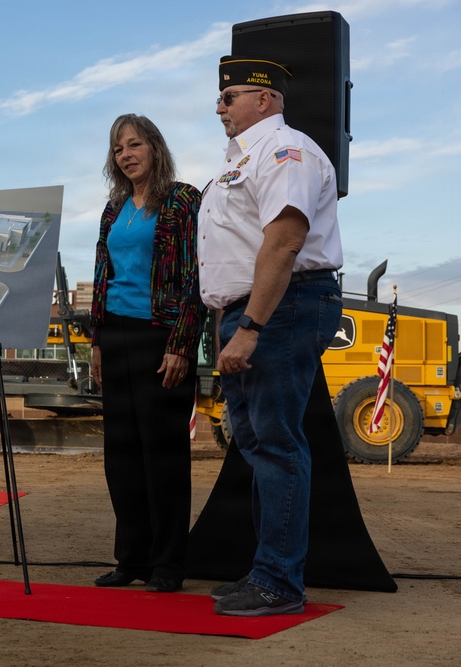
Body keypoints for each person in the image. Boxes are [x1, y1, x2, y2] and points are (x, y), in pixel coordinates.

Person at [198, 56, 343, 616]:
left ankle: (280, 582)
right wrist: (228, 322)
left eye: (229, 96)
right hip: (249, 311)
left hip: (282, 307)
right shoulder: (239, 161)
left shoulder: (288, 151)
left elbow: (284, 244)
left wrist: (252, 326)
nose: (219, 107)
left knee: (277, 444)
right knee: (257, 445)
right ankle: (266, 570)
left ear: (266, 99)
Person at [88, 114, 204, 593]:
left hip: (161, 336)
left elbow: (198, 275)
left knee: (163, 455)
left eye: (134, 145)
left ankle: (168, 564)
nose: (126, 155)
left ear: (155, 147)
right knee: (121, 456)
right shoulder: (114, 208)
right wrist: (95, 341)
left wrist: (182, 343)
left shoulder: (183, 199)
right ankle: (130, 558)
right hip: (114, 337)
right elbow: (101, 275)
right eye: (118, 149)